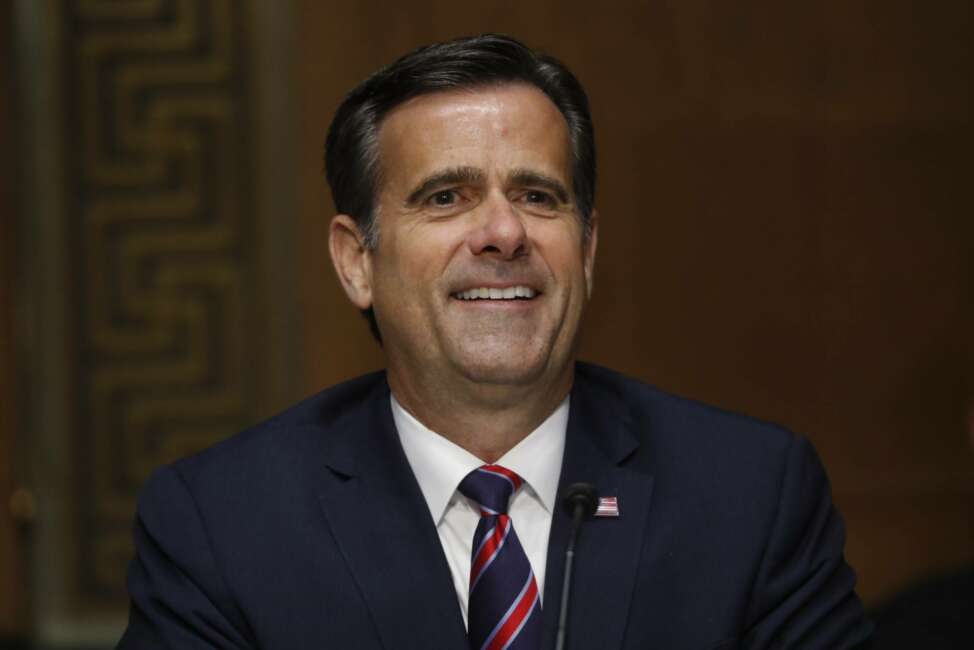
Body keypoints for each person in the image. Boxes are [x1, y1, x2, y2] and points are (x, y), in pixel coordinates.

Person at [118, 34, 873, 649]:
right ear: (356, 261)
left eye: (537, 196)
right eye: (446, 197)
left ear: (587, 246)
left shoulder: (751, 495)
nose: (504, 233)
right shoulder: (222, 523)